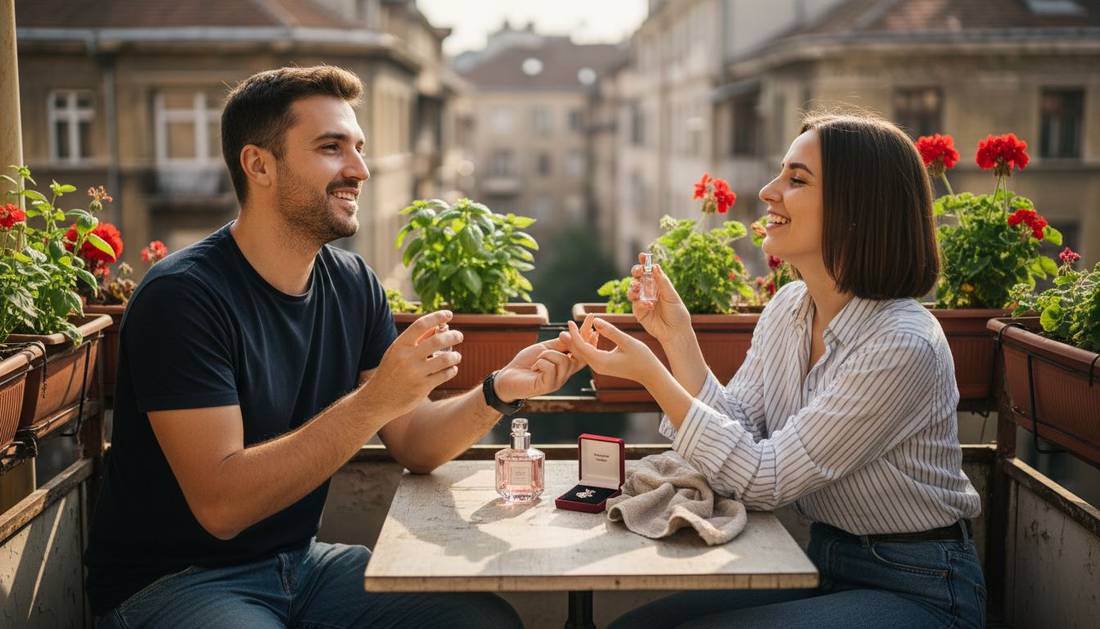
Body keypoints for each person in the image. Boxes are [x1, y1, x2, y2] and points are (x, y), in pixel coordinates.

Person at [85, 65, 594, 628]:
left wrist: (497, 391)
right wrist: (376, 400)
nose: (360, 169)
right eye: (331, 148)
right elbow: (221, 506)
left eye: (359, 148)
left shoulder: (352, 283)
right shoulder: (182, 297)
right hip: (174, 583)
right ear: (259, 165)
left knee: (481, 621)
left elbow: (415, 444)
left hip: (301, 567)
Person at [561, 112, 985, 628]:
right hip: (819, 561)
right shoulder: (789, 307)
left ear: (858, 210)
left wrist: (653, 377)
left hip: (920, 587)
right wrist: (676, 336)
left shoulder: (902, 344)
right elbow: (742, 430)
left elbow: (766, 478)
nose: (767, 191)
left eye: (796, 179)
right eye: (780, 173)